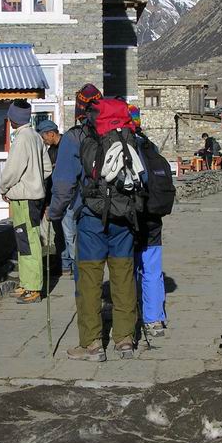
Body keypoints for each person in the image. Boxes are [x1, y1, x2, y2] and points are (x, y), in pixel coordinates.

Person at [48, 87, 137, 362]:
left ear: (79, 109)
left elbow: (64, 184)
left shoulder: (74, 137)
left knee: (89, 280)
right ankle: (125, 339)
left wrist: (54, 213)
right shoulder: (126, 133)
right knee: (123, 276)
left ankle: (92, 344)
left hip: (90, 217)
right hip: (123, 215)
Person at [0, 101, 51, 304]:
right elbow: (47, 168)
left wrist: (4, 188)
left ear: (14, 118)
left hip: (24, 198)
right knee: (25, 240)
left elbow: (12, 170)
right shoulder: (36, 136)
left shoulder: (21, 139)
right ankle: (27, 282)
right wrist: (36, 180)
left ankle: (34, 287)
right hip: (33, 196)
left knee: (29, 242)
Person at [129, 105, 168, 339]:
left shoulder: (125, 146)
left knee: (129, 268)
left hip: (132, 216)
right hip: (154, 216)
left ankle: (131, 315)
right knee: (152, 268)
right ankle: (155, 319)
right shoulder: (150, 145)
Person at [36, 118, 75, 276]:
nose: (44, 141)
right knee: (59, 233)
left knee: (70, 233)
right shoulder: (50, 151)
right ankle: (64, 264)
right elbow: (48, 180)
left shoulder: (68, 146)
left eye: (44, 137)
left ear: (51, 134)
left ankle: (76, 265)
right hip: (55, 197)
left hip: (70, 197)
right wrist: (47, 203)